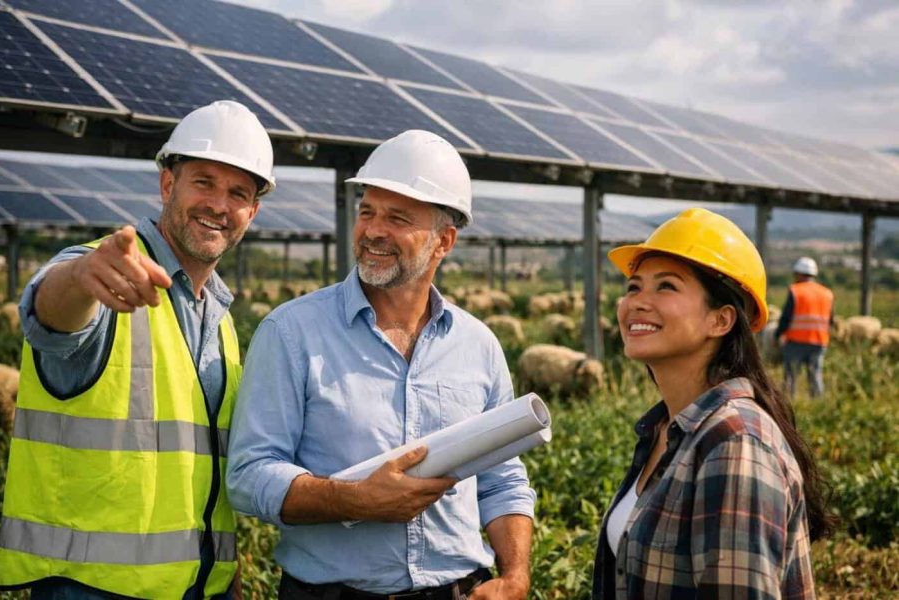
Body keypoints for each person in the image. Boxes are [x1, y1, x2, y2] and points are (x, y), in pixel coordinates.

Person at [226, 130, 535, 600]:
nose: (373, 230)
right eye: (367, 211)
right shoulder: (292, 332)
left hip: (458, 590)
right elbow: (250, 476)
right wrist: (354, 500)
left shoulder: (479, 346)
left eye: (397, 218)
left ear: (443, 241)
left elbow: (501, 477)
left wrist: (514, 576)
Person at [0, 100, 275, 599]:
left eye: (238, 193)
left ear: (251, 213)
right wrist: (80, 278)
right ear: (168, 184)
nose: (219, 204)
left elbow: (200, 469)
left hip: (198, 588)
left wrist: (225, 575)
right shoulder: (107, 269)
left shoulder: (221, 319)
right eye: (204, 182)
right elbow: (50, 317)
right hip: (93, 589)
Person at [591, 208, 834, 599]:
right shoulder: (666, 431)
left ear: (720, 321)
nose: (637, 302)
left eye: (666, 286)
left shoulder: (734, 442)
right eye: (634, 287)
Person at [775, 257, 834, 397]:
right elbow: (830, 320)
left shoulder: (796, 290)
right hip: (819, 342)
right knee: (815, 377)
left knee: (791, 378)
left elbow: (786, 317)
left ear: (799, 273)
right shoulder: (827, 293)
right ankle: (819, 408)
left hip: (796, 341)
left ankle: (790, 407)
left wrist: (777, 335)